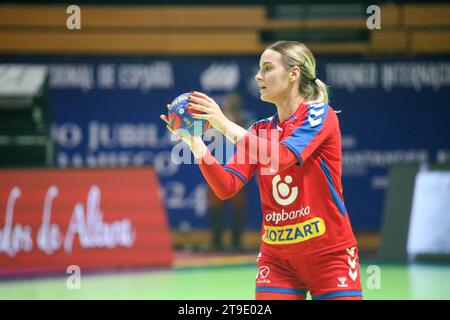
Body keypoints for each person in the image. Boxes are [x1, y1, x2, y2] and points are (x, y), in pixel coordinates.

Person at [161, 40, 362, 300]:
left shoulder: (320, 116)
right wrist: (194, 142)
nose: (258, 76)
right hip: (277, 260)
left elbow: (282, 157)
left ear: (294, 73)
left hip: (329, 255)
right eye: (259, 69)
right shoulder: (260, 130)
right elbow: (226, 187)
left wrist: (223, 124)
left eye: (267, 68)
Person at [207, 93, 250, 252]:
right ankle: (216, 242)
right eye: (229, 105)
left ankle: (236, 243)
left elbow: (250, 140)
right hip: (217, 167)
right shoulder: (216, 121)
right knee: (215, 206)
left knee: (238, 207)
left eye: (235, 105)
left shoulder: (246, 121)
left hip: (238, 170)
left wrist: (235, 120)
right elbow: (209, 135)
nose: (232, 107)